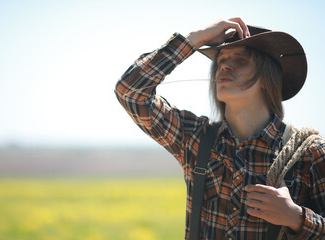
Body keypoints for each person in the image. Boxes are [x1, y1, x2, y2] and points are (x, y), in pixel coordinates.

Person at [114, 17, 325, 239]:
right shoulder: (195, 138)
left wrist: (296, 218)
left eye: (240, 60)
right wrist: (195, 38)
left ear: (266, 77)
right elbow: (130, 91)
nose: (223, 65)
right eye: (221, 60)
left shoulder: (310, 154)